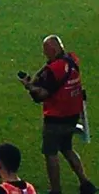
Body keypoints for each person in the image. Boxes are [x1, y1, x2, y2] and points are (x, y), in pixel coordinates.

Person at [20, 35, 95, 194]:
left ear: (52, 49)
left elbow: (41, 95)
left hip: (56, 117)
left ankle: (55, 190)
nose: (44, 54)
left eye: (46, 50)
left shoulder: (54, 70)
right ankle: (85, 183)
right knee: (67, 148)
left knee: (51, 153)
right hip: (72, 114)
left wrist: (29, 87)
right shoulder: (72, 60)